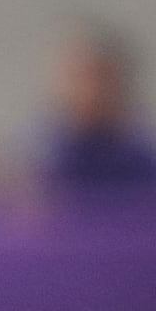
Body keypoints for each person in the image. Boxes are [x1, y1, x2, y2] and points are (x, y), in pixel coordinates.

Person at [36, 26, 156, 215]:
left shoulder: (144, 163)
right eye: (75, 76)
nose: (88, 90)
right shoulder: (40, 159)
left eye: (98, 76)